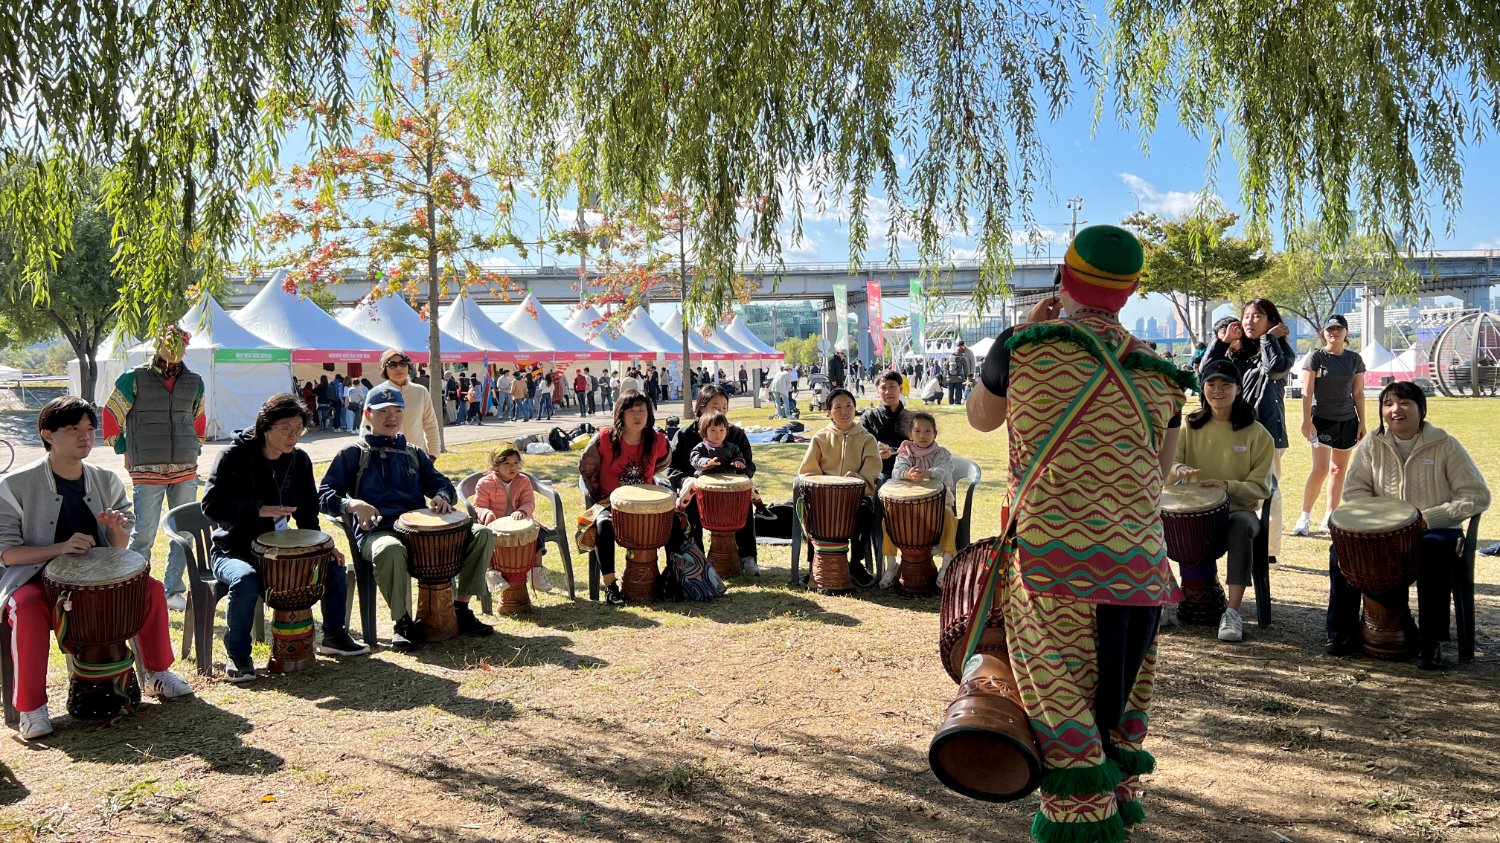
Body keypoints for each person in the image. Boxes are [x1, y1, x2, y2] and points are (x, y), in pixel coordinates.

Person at [966, 224, 1189, 841]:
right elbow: (1158, 471)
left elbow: (981, 419)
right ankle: (1114, 822)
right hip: (1141, 573)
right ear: (1130, 292)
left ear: (1064, 281)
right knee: (1113, 720)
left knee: (1068, 737)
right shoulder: (1160, 373)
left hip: (1052, 571)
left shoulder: (1025, 349)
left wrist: (1018, 335)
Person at [0, 396, 193, 741]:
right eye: (73, 429)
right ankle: (31, 707)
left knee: (148, 589)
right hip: (32, 581)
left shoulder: (106, 480)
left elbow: (118, 546)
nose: (85, 436)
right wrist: (58, 548)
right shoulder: (14, 485)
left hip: (98, 583)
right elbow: (7, 554)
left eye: (89, 429)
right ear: (47, 434)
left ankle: (158, 673)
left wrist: (117, 530)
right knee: (27, 609)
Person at [202, 393, 369, 681]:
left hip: (280, 548)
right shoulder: (233, 456)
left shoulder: (300, 461)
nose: (293, 437)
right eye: (286, 430)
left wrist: (321, 546)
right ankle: (238, 655)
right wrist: (258, 509)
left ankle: (333, 637)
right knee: (245, 580)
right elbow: (211, 505)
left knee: (332, 567)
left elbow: (307, 512)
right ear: (265, 426)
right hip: (233, 548)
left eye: (298, 430)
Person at [318, 384, 494, 651]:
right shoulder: (353, 453)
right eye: (383, 412)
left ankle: (460, 608)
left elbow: (442, 484)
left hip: (420, 533)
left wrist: (441, 496)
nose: (391, 418)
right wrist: (351, 503)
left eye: (397, 411)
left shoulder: (413, 452)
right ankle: (402, 622)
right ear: (367, 414)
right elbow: (324, 494)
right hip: (377, 532)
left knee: (482, 533)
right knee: (390, 549)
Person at [1326, 381, 1490, 668]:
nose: (1395, 410)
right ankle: (1340, 630)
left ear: (1421, 409)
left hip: (1436, 530)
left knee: (1432, 549)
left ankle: (1431, 641)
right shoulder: (1371, 444)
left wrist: (1429, 519)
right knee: (1339, 550)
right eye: (1388, 404)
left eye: (1404, 403)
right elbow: (1354, 491)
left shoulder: (1445, 444)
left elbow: (1476, 496)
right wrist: (1381, 520)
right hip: (1384, 532)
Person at [1169, 359, 1275, 642]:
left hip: (1238, 511)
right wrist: (1178, 469)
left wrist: (1227, 486)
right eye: (1211, 384)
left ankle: (1232, 612)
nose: (1218, 390)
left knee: (1241, 527)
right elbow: (1167, 464)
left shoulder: (1257, 434)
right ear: (1202, 389)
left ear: (1238, 389)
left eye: (1225, 384)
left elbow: (1261, 487)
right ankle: (1169, 598)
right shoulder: (1189, 427)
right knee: (1152, 521)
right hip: (1194, 511)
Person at [102, 326, 206, 612]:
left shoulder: (195, 382)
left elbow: (199, 419)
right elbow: (111, 415)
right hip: (146, 468)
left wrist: (194, 447)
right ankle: (136, 589)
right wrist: (125, 449)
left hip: (185, 468)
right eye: (168, 344)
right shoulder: (133, 379)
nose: (175, 351)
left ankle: (174, 590)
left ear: (186, 348)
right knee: (143, 533)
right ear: (157, 344)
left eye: (180, 346)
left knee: (184, 533)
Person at [1201, 298, 1295, 563]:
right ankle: (1227, 541)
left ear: (1272, 322)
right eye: (1247, 316)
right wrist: (1221, 342)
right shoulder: (1233, 352)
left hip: (1268, 432)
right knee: (1228, 488)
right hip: (1233, 429)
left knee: (1268, 491)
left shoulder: (1282, 351)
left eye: (1258, 316)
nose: (1250, 321)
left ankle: (1268, 550)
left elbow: (1274, 369)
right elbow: (1205, 373)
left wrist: (1269, 340)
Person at [578, 390, 676, 606]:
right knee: (603, 526)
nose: (638, 416)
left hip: (647, 504)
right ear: (620, 414)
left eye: (642, 411)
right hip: (610, 503)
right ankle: (611, 585)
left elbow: (663, 461)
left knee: (676, 521)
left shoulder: (657, 439)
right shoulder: (604, 439)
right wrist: (599, 498)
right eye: (631, 411)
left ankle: (671, 578)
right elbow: (586, 466)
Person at [666, 387, 761, 573]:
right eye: (715, 406)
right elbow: (672, 469)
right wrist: (686, 481)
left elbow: (749, 465)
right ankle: (697, 558)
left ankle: (747, 556)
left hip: (729, 492)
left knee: (745, 503)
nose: (720, 411)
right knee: (690, 509)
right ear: (701, 407)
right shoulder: (685, 435)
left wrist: (738, 475)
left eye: (724, 407)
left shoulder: (735, 434)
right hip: (696, 491)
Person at [797, 388, 881, 585]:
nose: (845, 411)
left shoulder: (867, 438)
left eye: (849, 406)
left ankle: (856, 563)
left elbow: (872, 472)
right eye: (838, 407)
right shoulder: (820, 438)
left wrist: (858, 478)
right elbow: (807, 472)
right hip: (824, 499)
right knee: (812, 513)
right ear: (829, 412)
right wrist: (824, 485)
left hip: (857, 498)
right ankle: (815, 562)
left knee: (864, 513)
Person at [1295, 314, 1367, 535]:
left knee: (1338, 469)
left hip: (1347, 420)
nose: (1333, 332)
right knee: (1320, 469)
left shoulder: (1354, 359)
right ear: (1323, 333)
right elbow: (1307, 392)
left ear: (1346, 333)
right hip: (1322, 420)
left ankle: (1329, 517)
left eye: (1338, 329)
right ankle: (1304, 517)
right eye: (1329, 329)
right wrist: (1307, 421)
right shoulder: (1316, 357)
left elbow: (1358, 392)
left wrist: (1362, 421)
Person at [882, 411, 959, 588]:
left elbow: (947, 475)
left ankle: (946, 565)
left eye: (927, 431)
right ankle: (891, 564)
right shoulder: (905, 452)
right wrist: (906, 473)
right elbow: (896, 472)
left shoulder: (942, 453)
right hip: (907, 506)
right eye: (917, 431)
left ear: (935, 434)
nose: (922, 435)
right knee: (887, 522)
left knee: (949, 518)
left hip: (938, 505)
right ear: (910, 434)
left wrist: (929, 473)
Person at [473, 446, 552, 593]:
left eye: (516, 462)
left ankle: (536, 572)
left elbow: (529, 502)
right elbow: (478, 506)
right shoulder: (484, 483)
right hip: (493, 525)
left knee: (538, 533)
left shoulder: (523, 480)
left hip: (520, 523)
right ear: (496, 466)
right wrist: (487, 513)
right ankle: (492, 574)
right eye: (507, 463)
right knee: (487, 537)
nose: (513, 467)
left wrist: (522, 510)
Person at [377, 349, 441, 456]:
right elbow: (366, 429)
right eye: (392, 364)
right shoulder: (377, 394)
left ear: (408, 366)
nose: (398, 368)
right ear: (384, 369)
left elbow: (430, 424)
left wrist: (433, 455)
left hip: (417, 457)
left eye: (402, 363)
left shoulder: (420, 391)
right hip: (387, 461)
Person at [861, 370, 914, 479]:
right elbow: (860, 448)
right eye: (883, 388)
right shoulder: (869, 418)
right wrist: (875, 454)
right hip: (879, 471)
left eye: (892, 387)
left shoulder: (913, 418)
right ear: (877, 391)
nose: (888, 392)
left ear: (900, 389)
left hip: (909, 471)